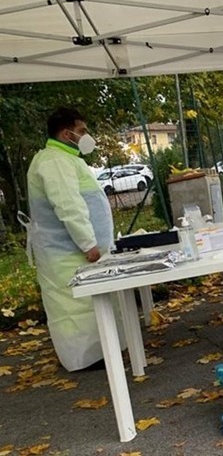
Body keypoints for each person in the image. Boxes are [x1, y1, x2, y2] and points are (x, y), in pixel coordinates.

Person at [26, 107, 114, 371]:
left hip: (75, 251)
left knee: (87, 305)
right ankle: (85, 359)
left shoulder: (66, 158)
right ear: (67, 134)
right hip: (67, 253)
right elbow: (68, 205)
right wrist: (88, 243)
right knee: (73, 308)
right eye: (82, 131)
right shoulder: (54, 162)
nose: (87, 136)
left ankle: (99, 353)